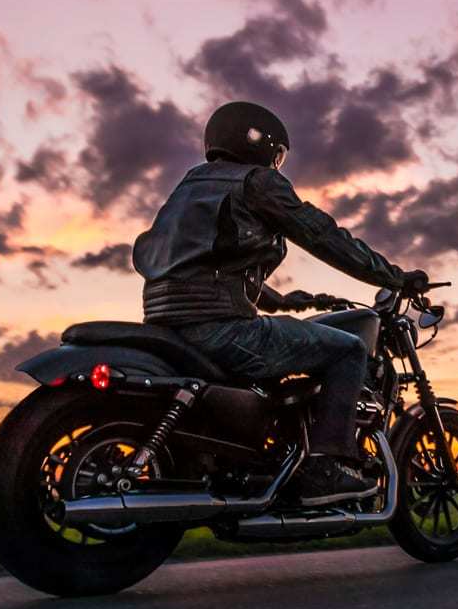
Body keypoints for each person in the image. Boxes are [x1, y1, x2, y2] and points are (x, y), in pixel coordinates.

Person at [131, 100, 429, 505]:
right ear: (261, 145)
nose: (278, 162)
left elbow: (202, 261)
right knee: (348, 349)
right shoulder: (256, 182)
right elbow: (323, 236)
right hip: (219, 328)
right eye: (278, 154)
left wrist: (282, 299)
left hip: (168, 326)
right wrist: (393, 276)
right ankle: (324, 467)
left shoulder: (189, 187)